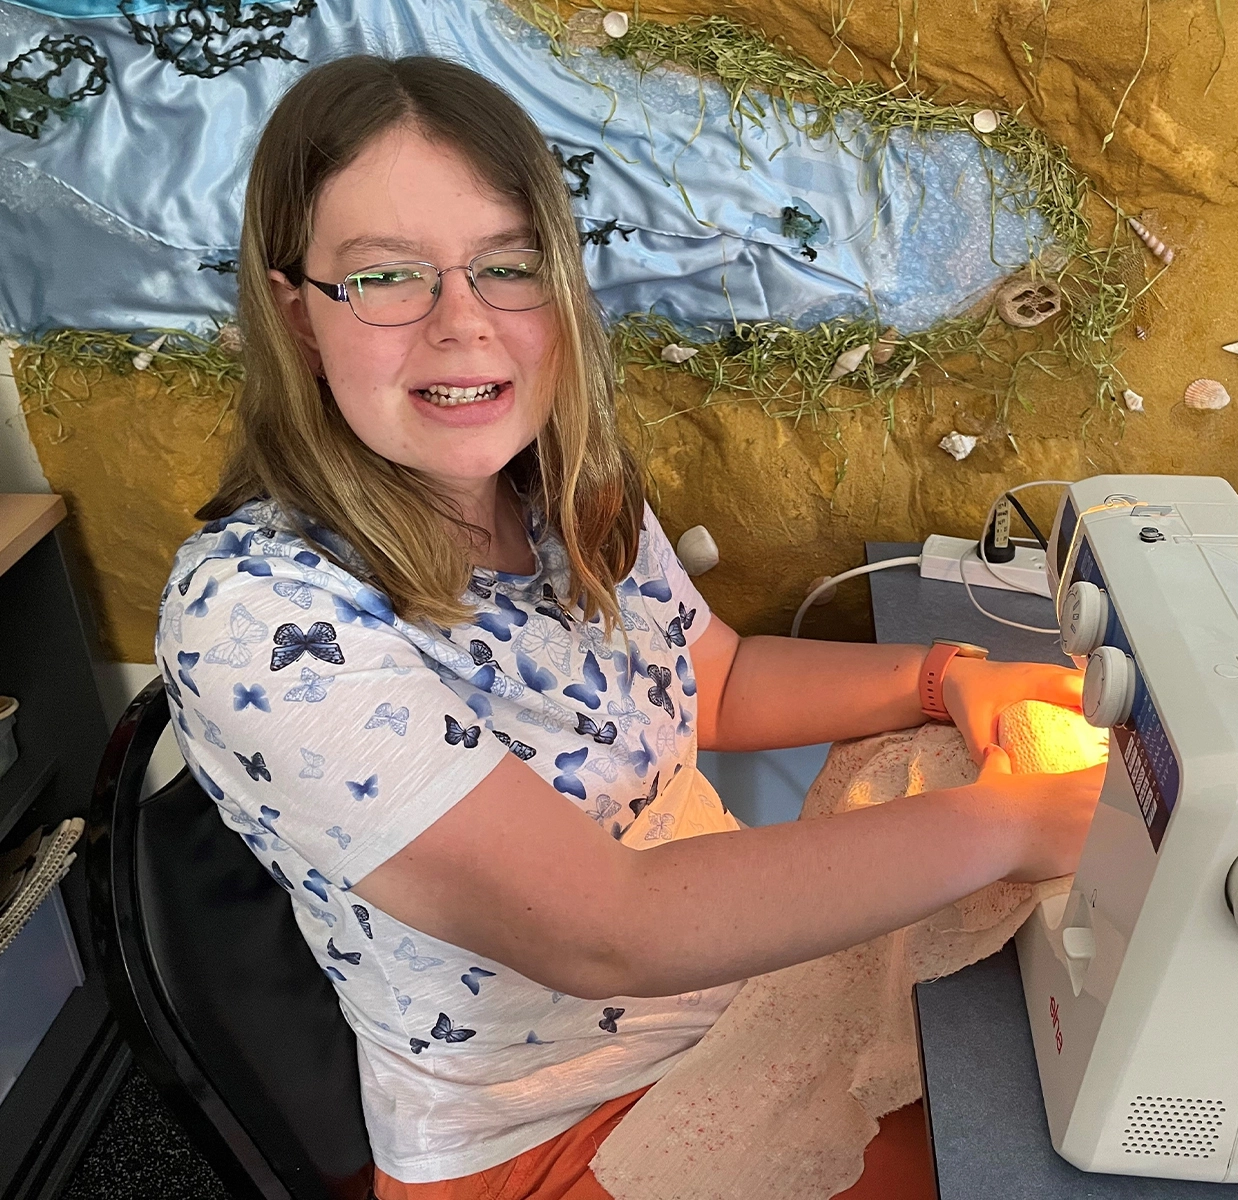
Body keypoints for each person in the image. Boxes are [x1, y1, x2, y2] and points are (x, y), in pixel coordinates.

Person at [159, 54, 1104, 1200]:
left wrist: (944, 677)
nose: (464, 325)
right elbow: (610, 931)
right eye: (389, 277)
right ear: (298, 314)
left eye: (507, 266)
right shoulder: (262, 616)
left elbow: (716, 681)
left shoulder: (560, 495)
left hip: (722, 995)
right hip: (562, 1131)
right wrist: (1012, 826)